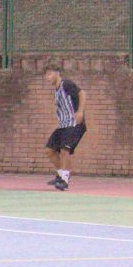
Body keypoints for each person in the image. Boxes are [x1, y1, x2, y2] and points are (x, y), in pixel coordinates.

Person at [44, 63, 86, 191]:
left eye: (49, 74)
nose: (47, 77)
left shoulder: (66, 84)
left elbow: (82, 93)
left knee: (64, 151)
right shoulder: (56, 91)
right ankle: (60, 175)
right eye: (46, 75)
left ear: (57, 73)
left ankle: (65, 180)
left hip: (74, 124)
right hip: (63, 124)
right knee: (49, 150)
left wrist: (80, 112)